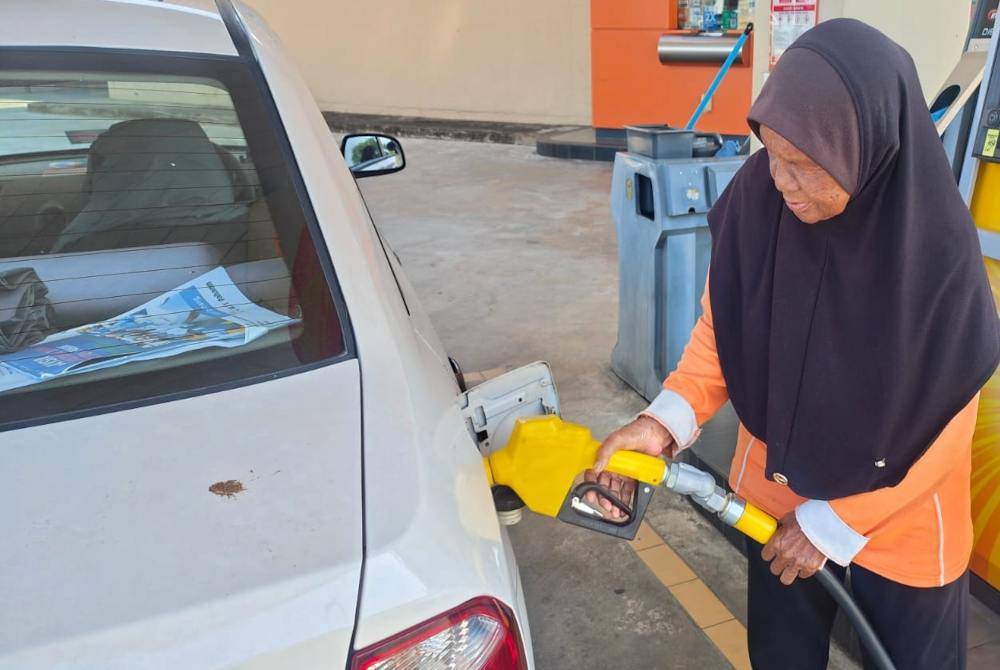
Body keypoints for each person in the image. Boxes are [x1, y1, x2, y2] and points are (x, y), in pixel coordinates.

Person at [589, 19, 999, 669]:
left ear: (863, 152)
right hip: (775, 503)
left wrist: (832, 524)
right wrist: (663, 422)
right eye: (771, 153)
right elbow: (722, 333)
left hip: (902, 528)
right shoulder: (761, 198)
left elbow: (943, 424)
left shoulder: (935, 257)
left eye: (804, 165)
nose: (782, 180)